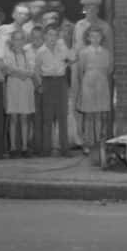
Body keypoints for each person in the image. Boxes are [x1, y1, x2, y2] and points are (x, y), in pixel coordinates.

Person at [35, 25, 72, 157]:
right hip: (47, 82)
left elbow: (71, 59)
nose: (53, 37)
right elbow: (37, 70)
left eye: (55, 35)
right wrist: (39, 85)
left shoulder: (62, 49)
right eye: (50, 34)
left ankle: (65, 149)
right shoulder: (41, 51)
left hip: (61, 82)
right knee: (48, 118)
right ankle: (46, 149)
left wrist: (64, 49)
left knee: (63, 117)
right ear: (45, 36)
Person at [75, 26, 112, 153]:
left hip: (101, 83)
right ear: (88, 38)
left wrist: (100, 79)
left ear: (101, 38)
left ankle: (98, 143)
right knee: (89, 115)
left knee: (99, 115)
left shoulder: (106, 52)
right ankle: (87, 142)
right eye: (92, 36)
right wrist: (83, 86)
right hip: (88, 83)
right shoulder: (84, 52)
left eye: (98, 36)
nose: (95, 39)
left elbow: (107, 70)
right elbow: (80, 71)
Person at [3, 29, 36, 156]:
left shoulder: (29, 54)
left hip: (26, 87)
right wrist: (23, 73)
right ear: (12, 41)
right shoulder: (8, 54)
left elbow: (32, 70)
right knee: (13, 118)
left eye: (21, 39)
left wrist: (20, 72)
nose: (19, 42)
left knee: (24, 118)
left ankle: (24, 147)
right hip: (13, 87)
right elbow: (8, 69)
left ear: (24, 40)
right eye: (16, 39)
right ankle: (12, 147)